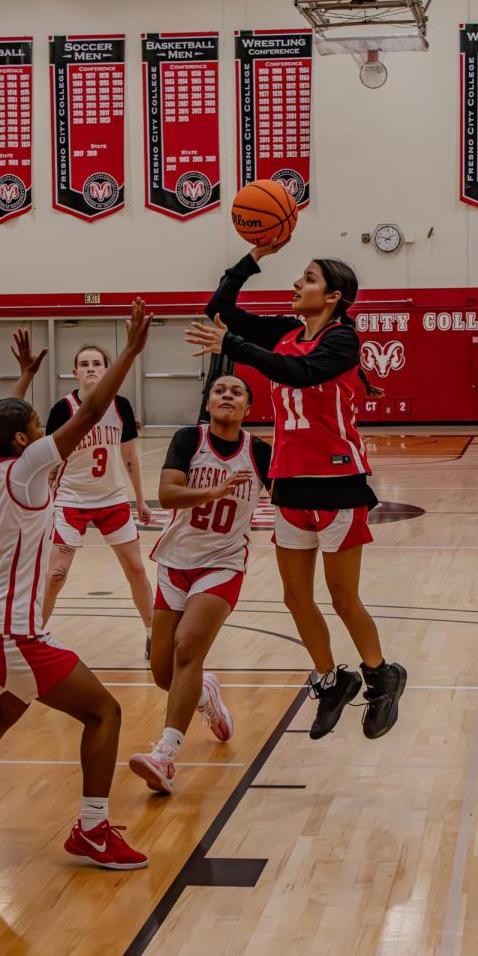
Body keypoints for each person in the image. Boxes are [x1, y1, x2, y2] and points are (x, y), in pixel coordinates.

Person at [0, 311, 152, 869]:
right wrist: (131, 351)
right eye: (35, 424)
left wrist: (22, 380)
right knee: (104, 713)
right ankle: (92, 830)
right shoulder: (26, 469)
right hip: (5, 633)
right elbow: (94, 408)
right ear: (26, 439)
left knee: (9, 705)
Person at [184, 244, 406, 740]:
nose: (294, 285)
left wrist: (233, 347)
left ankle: (381, 675)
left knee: (344, 597)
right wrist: (251, 256)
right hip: (289, 482)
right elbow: (218, 311)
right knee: (294, 597)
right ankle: (331, 680)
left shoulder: (342, 339)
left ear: (332, 296)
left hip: (338, 482)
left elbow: (298, 373)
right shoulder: (285, 331)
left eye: (306, 279)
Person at [128, 374, 272, 794]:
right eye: (219, 391)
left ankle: (165, 756)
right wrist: (212, 493)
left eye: (237, 392)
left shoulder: (258, 452)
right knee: (162, 672)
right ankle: (206, 694)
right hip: (175, 562)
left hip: (223, 563)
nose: (227, 395)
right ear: (208, 403)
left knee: (188, 647)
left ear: (248, 407)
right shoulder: (188, 439)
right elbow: (168, 494)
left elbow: (289, 495)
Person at [42, 344, 154, 658]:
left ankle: (152, 633)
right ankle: (33, 635)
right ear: (75, 372)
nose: (91, 368)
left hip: (112, 500)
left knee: (136, 568)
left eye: (97, 364)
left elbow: (130, 457)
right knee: (55, 575)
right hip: (70, 500)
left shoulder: (121, 406)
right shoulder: (62, 409)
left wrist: (141, 501)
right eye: (84, 364)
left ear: (106, 370)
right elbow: (48, 461)